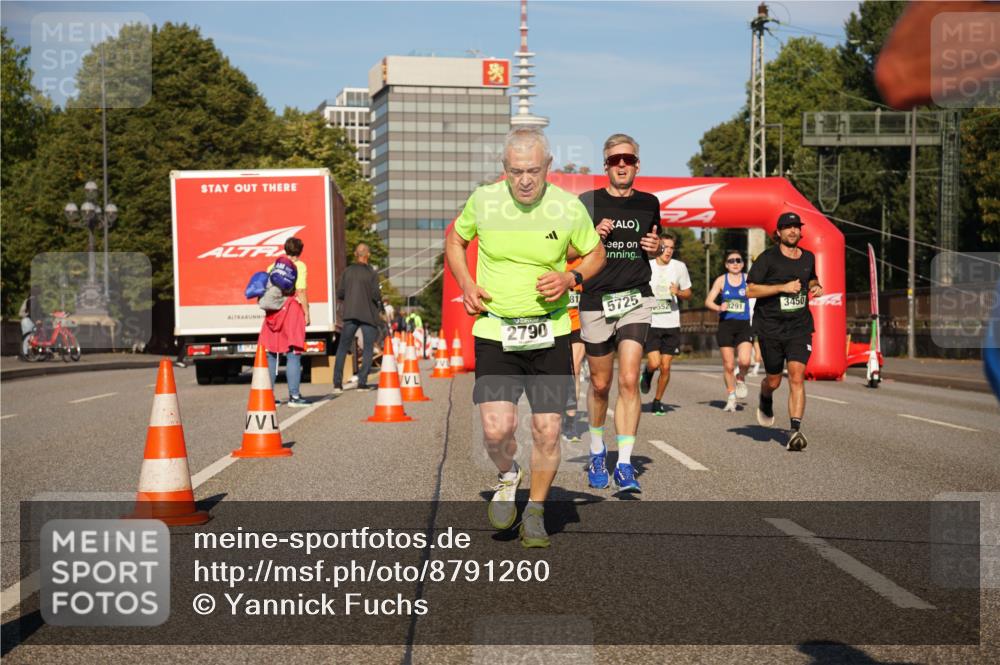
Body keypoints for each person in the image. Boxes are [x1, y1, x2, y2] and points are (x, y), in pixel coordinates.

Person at [445, 126, 605, 548]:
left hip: (550, 331)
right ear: (504, 169)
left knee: (548, 431)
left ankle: (534, 510)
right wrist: (465, 283)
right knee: (497, 431)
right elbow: (455, 241)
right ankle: (507, 474)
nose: (525, 180)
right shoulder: (483, 200)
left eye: (533, 170)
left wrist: (571, 276)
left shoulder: (569, 208)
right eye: (516, 171)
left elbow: (596, 253)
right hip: (496, 329)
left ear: (548, 166)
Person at [578, 133, 662, 493]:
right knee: (600, 384)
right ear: (606, 166)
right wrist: (591, 237)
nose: (622, 165)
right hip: (597, 299)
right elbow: (568, 254)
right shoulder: (587, 202)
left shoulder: (650, 203)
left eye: (627, 159)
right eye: (615, 160)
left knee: (629, 379)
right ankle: (597, 451)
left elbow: (656, 246)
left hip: (635, 298)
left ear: (637, 164)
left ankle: (625, 464)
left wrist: (656, 248)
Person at [746, 212, 823, 451]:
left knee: (797, 376)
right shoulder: (767, 259)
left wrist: (815, 286)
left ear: (801, 231)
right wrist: (782, 287)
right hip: (770, 328)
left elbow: (811, 278)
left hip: (799, 327)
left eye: (796, 227)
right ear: (778, 233)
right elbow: (750, 291)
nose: (792, 231)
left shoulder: (808, 257)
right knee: (774, 380)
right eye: (787, 228)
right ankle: (765, 395)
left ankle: (794, 430)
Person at [640, 231, 692, 416]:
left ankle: (657, 400)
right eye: (665, 247)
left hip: (671, 322)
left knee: (666, 366)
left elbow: (688, 293)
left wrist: (678, 292)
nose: (668, 251)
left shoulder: (679, 267)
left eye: (671, 248)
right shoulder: (648, 265)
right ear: (658, 247)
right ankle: (647, 372)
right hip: (652, 321)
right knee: (654, 363)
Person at [260, 238, 309, 407]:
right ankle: (294, 397)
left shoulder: (272, 266)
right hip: (291, 310)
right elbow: (300, 290)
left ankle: (268, 396)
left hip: (273, 313)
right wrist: (307, 313)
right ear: (300, 251)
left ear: (285, 249)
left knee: (271, 354)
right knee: (293, 352)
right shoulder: (299, 266)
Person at [704, 249, 753, 412]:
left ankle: (741, 378)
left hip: (744, 325)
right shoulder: (721, 280)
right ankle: (731, 396)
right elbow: (708, 301)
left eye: (738, 260)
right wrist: (719, 306)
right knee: (729, 365)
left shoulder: (748, 279)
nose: (735, 263)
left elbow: (760, 293)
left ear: (743, 263)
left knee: (745, 361)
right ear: (726, 265)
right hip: (726, 325)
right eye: (731, 261)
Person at [333, 243, 382, 394]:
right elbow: (376, 295)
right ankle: (362, 383)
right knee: (368, 348)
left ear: (355, 254)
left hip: (350, 314)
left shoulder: (347, 272)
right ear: (368, 255)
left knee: (343, 348)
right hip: (368, 314)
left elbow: (340, 293)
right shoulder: (372, 273)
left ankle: (337, 384)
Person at [561, 257, 587, 442]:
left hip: (579, 323)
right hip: (557, 324)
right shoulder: (553, 258)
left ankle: (570, 421)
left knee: (574, 369)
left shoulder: (587, 262)